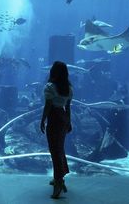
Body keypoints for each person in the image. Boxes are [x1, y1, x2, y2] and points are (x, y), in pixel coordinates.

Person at [40, 61, 73, 199]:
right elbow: (68, 107)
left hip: (54, 117)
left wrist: (43, 120)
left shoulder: (50, 87)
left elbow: (48, 105)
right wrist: (69, 122)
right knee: (59, 148)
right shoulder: (68, 88)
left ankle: (58, 183)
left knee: (54, 150)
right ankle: (60, 177)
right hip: (63, 117)